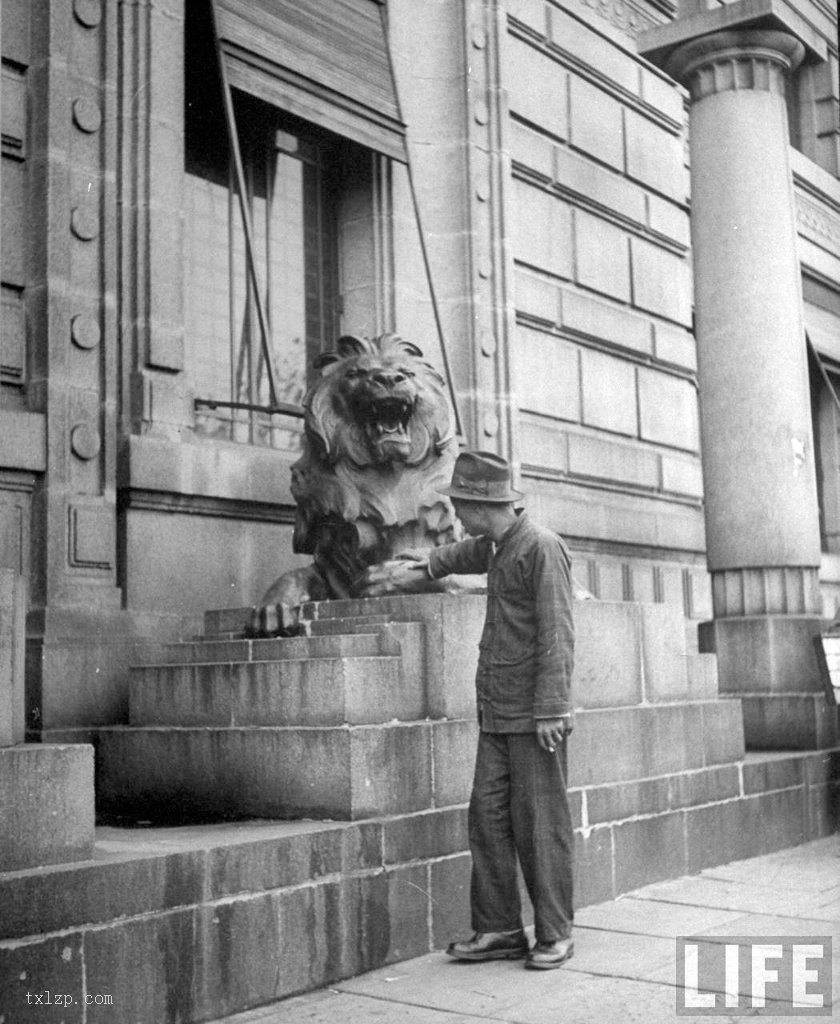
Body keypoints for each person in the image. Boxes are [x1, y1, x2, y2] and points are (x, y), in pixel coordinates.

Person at [386, 450, 576, 970]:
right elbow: (465, 554)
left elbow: (558, 632)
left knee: (540, 825)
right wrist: (426, 565)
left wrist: (552, 709)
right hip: (496, 712)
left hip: (534, 717)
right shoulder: (499, 544)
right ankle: (499, 929)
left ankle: (555, 931)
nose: (456, 516)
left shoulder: (540, 547)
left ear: (478, 504)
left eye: (459, 505)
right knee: (488, 820)